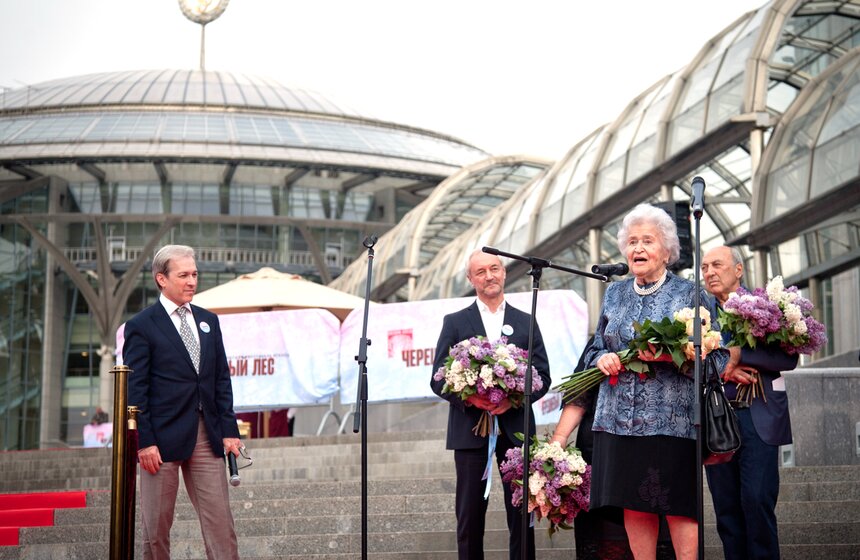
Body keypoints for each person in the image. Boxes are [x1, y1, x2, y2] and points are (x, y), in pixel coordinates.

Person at [580, 203, 726, 560]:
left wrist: (670, 357)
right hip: (617, 421)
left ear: (666, 250)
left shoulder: (690, 294)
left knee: (678, 505)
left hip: (672, 422)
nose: (638, 248)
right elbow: (595, 347)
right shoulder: (614, 294)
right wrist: (602, 358)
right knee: (634, 504)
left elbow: (719, 358)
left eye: (647, 241)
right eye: (632, 242)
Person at [430, 249, 551, 560]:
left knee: (522, 513)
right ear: (471, 279)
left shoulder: (525, 321)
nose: (489, 276)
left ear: (504, 272)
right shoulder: (455, 322)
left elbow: (543, 375)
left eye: (494, 268)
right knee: (469, 516)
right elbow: (438, 378)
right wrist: (473, 397)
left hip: (516, 431)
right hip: (470, 431)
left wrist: (512, 400)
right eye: (480, 272)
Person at [124, 245, 241, 560]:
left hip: (206, 433)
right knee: (156, 530)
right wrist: (145, 441)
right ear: (161, 279)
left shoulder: (208, 321)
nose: (192, 281)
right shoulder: (141, 326)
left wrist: (229, 431)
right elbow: (136, 388)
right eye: (184, 275)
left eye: (195, 274)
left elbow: (220, 379)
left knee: (221, 525)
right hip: (159, 440)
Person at [701, 245, 797, 560]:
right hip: (717, 420)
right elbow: (686, 362)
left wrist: (740, 354)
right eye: (704, 268)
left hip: (759, 417)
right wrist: (724, 368)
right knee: (726, 510)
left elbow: (788, 357)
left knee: (757, 500)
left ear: (738, 269)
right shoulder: (696, 315)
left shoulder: (766, 307)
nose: (709, 272)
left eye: (717, 265)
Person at [550, 338, 675, 560]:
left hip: (655, 452)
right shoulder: (604, 338)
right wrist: (558, 440)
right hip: (602, 454)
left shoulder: (669, 337)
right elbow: (580, 393)